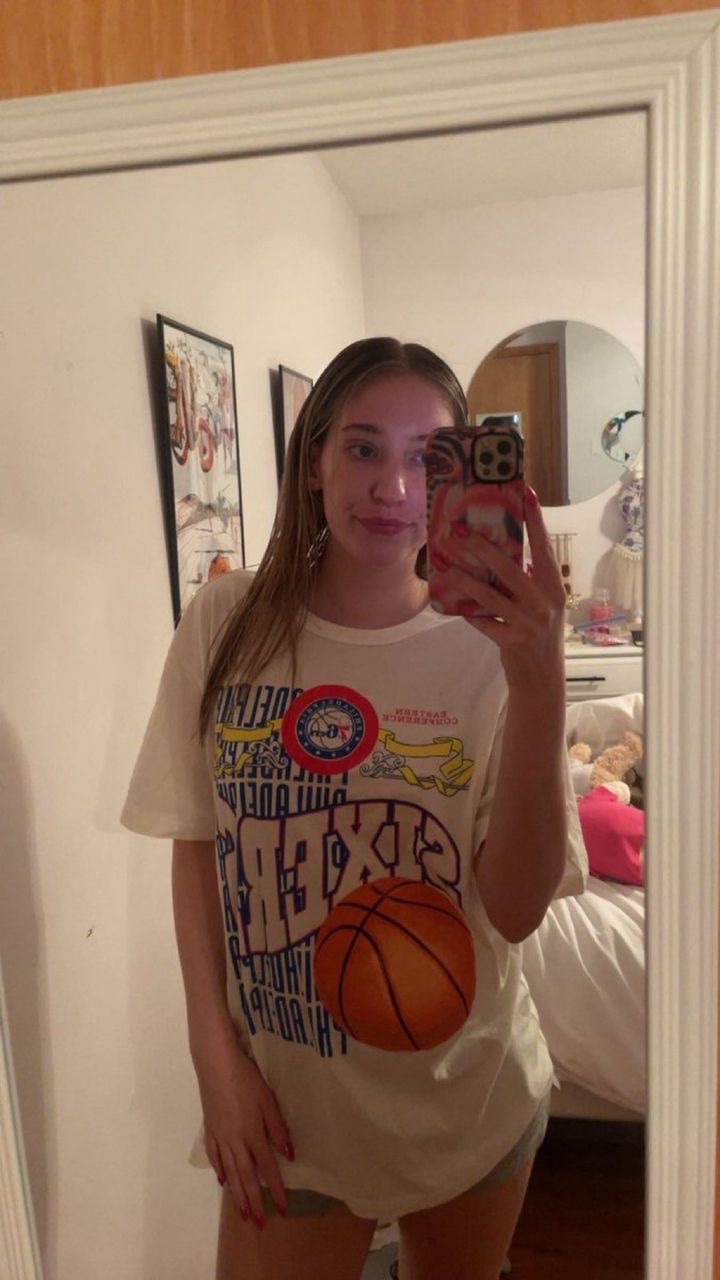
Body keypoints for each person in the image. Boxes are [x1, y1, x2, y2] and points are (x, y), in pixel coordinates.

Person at [121, 337, 586, 1280]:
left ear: (460, 475)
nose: (393, 488)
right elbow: (198, 845)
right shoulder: (226, 621)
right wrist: (215, 1060)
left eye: (428, 458)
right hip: (285, 1110)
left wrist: (540, 684)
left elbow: (513, 912)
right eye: (365, 447)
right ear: (316, 459)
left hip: (468, 1094)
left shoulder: (488, 647)